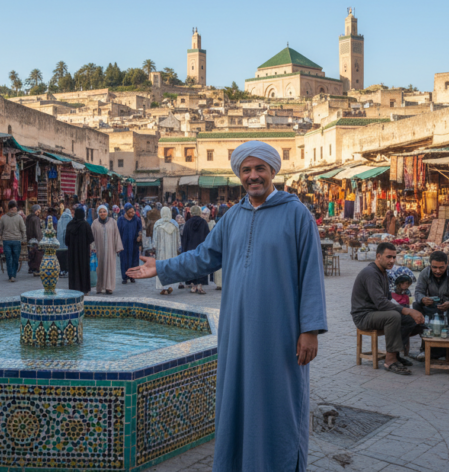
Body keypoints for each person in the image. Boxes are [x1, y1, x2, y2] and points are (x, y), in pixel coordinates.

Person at [127, 141, 327, 472]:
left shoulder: (297, 214)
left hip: (281, 333)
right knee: (237, 401)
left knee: (281, 403)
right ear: (238, 175)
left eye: (259, 168)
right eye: (246, 170)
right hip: (236, 332)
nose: (253, 176)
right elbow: (203, 257)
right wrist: (162, 268)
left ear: (272, 171)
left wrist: (310, 329)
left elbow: (311, 273)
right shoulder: (233, 217)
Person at [351, 243, 425, 375]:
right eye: (388, 257)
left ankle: (395, 354)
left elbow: (388, 298)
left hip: (377, 312)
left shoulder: (383, 272)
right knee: (394, 316)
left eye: (394, 257)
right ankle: (390, 360)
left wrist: (409, 310)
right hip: (364, 315)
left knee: (408, 319)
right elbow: (381, 303)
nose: (391, 260)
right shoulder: (371, 273)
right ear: (378, 256)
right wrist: (406, 310)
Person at [91, 205, 123, 294]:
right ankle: (100, 287)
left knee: (109, 268)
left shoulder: (112, 222)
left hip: (110, 249)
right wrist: (92, 247)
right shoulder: (94, 223)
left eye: (104, 211)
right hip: (98, 250)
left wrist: (118, 247)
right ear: (98, 213)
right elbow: (91, 237)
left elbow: (116, 235)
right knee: (99, 268)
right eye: (100, 212)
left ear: (107, 212)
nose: (102, 213)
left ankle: (109, 287)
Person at [180, 205, 211, 294]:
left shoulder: (188, 223)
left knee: (192, 267)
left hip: (190, 248)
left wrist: (184, 249)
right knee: (201, 266)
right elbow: (208, 237)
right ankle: (200, 286)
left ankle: (193, 286)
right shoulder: (204, 223)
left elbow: (184, 238)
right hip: (201, 248)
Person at [64, 207, 94, 294]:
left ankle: (74, 288)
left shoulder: (70, 224)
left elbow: (66, 241)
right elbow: (90, 239)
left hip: (72, 253)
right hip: (83, 253)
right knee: (83, 269)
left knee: (74, 269)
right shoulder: (85, 225)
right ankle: (84, 289)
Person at [152, 207, 180, 295]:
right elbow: (178, 240)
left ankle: (163, 288)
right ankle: (171, 286)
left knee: (161, 268)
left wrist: (154, 247)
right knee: (171, 267)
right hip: (172, 251)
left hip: (161, 251)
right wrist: (178, 247)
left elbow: (155, 240)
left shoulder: (158, 224)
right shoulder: (174, 225)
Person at [0, 200, 26, 282]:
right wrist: (23, 238)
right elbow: (23, 229)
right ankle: (13, 275)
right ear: (14, 208)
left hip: (6, 241)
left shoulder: (3, 218)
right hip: (17, 241)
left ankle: (10, 275)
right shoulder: (19, 218)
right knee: (15, 259)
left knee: (8, 259)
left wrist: (2, 237)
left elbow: (0, 230)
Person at [116, 204, 143, 285]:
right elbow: (117, 232)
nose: (132, 213)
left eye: (133, 211)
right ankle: (125, 277)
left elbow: (140, 229)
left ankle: (132, 277)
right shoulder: (121, 220)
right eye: (130, 212)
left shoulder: (137, 219)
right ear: (126, 212)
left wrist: (139, 235)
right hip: (123, 243)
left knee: (134, 260)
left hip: (134, 243)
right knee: (124, 260)